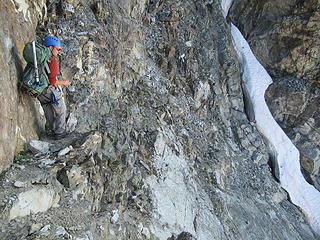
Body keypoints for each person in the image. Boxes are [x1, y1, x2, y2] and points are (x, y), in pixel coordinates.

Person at [38, 36, 69, 140]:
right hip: (49, 90)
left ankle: (53, 130)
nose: (59, 52)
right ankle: (60, 133)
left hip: (39, 91)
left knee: (48, 109)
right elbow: (52, 81)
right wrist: (63, 82)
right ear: (50, 47)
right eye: (58, 49)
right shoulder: (52, 61)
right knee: (61, 110)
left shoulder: (39, 58)